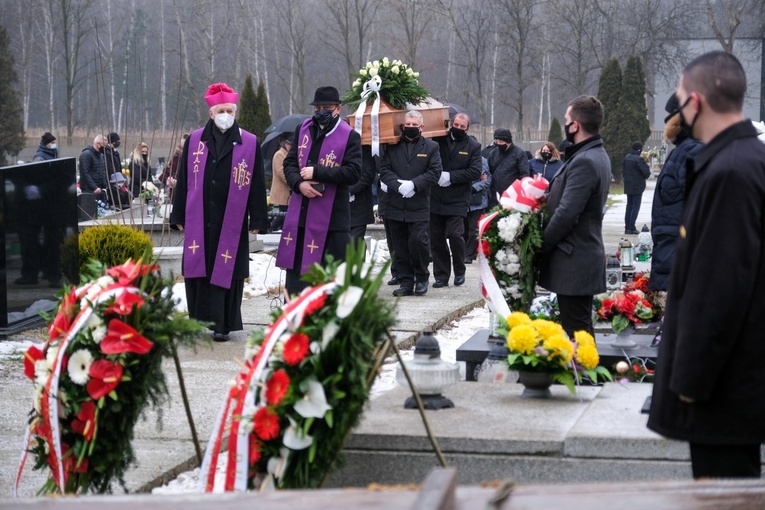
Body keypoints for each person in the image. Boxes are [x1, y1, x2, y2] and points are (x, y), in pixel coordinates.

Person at [648, 51, 765, 479]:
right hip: (730, 378)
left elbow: (720, 288)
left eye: (679, 99)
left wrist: (691, 384)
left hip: (723, 387)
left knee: (724, 493)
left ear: (695, 102)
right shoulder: (738, 160)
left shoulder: (730, 172)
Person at [170, 82, 268, 342]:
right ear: (212, 114)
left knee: (227, 271)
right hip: (200, 219)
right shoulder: (195, 140)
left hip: (230, 221)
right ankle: (202, 320)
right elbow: (183, 181)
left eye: (230, 111)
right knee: (201, 270)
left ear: (235, 112)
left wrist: (258, 218)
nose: (226, 115)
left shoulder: (249, 142)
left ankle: (223, 325)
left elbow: (257, 184)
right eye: (221, 110)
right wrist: (178, 215)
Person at [276, 86, 362, 297]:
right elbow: (290, 164)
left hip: (333, 220)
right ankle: (297, 321)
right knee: (298, 279)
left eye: (327, 107)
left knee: (330, 280)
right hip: (302, 217)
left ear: (338, 109)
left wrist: (319, 172)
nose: (321, 111)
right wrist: (299, 184)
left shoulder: (349, 136)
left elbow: (353, 173)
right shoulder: (303, 129)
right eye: (318, 107)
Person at [539, 95, 610, 338]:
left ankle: (586, 377)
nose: (566, 126)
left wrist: (542, 244)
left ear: (575, 125)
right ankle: (585, 375)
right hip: (578, 257)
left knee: (577, 334)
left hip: (575, 259)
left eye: (568, 120)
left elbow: (567, 213)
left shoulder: (585, 161)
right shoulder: (591, 154)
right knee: (579, 332)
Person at [378, 110, 442, 296]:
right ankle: (406, 281)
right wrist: (397, 186)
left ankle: (421, 277)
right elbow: (384, 169)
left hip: (418, 204)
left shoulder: (431, 147)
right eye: (408, 125)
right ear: (403, 126)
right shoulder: (392, 146)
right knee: (399, 245)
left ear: (421, 127)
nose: (411, 128)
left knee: (418, 242)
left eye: (415, 125)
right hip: (395, 203)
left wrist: (414, 184)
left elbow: (435, 172)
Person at [648, 93, 703, 293]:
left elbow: (701, 213)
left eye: (669, 115)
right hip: (671, 255)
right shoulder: (682, 150)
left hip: (681, 260)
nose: (665, 122)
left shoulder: (694, 151)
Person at [430, 113, 481, 287]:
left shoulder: (473, 146)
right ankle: (441, 275)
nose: (458, 128)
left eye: (462, 126)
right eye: (456, 125)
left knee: (455, 234)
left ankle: (460, 270)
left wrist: (451, 177)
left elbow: (475, 171)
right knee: (436, 238)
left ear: (467, 128)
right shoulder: (438, 140)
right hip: (436, 196)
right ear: (451, 123)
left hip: (457, 198)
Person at [487, 128, 529, 208]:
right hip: (494, 195)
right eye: (497, 141)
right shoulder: (493, 153)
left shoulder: (519, 154)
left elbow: (524, 175)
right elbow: (488, 171)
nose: (499, 144)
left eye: (501, 142)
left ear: (508, 141)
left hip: (512, 196)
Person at [464, 155, 491, 263]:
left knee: (474, 228)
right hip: (462, 199)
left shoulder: (482, 161)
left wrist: (474, 188)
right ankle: (464, 252)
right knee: (462, 229)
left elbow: (487, 179)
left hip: (478, 201)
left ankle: (469, 254)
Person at [349, 145, 377, 244]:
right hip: (335, 207)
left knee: (355, 243)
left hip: (358, 207)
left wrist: (348, 190)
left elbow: (368, 174)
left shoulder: (363, 147)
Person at [622, 141, 651, 235]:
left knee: (629, 206)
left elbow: (623, 171)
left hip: (628, 185)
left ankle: (627, 227)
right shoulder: (639, 159)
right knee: (635, 207)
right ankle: (631, 227)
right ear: (639, 149)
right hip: (637, 186)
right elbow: (646, 173)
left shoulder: (626, 158)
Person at [268, 133, 293, 232]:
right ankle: (271, 228)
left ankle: (277, 229)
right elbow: (281, 172)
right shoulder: (279, 154)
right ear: (284, 144)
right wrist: (293, 180)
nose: (290, 147)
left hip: (287, 191)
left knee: (286, 214)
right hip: (281, 190)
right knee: (283, 214)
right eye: (288, 145)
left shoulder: (287, 155)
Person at [79, 134, 108, 199]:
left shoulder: (101, 155)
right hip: (89, 189)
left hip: (99, 188)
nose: (105, 148)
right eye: (104, 146)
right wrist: (94, 187)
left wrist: (105, 185)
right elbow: (85, 173)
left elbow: (102, 171)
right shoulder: (86, 155)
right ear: (98, 144)